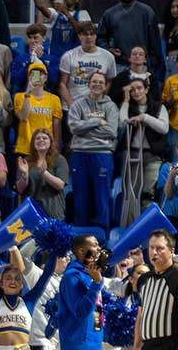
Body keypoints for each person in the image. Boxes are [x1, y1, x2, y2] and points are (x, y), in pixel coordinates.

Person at [68, 72, 119, 229]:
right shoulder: (78, 104)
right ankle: (80, 234)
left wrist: (85, 127)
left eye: (101, 82)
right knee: (81, 196)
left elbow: (111, 131)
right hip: (79, 154)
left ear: (105, 86)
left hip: (102, 155)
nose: (97, 84)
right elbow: (74, 127)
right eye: (94, 81)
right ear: (88, 84)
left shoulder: (110, 106)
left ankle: (102, 234)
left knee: (101, 196)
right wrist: (97, 121)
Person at [118, 77, 168, 226]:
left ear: (146, 89)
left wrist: (145, 117)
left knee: (147, 193)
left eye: (139, 88)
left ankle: (147, 227)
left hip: (152, 156)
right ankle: (130, 225)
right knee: (130, 193)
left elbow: (164, 128)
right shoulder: (129, 107)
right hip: (132, 155)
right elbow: (122, 123)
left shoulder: (158, 107)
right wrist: (126, 100)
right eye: (132, 89)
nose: (136, 92)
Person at [97, 0, 162, 74]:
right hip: (119, 64)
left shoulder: (147, 12)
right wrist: (108, 49)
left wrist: (151, 64)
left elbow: (155, 43)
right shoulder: (109, 14)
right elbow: (100, 38)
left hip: (142, 65)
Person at [58, 21, 117, 111]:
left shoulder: (108, 57)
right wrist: (71, 106)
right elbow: (62, 84)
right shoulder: (68, 56)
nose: (89, 37)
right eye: (85, 34)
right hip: (72, 106)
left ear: (96, 36)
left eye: (92, 34)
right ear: (79, 36)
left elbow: (109, 82)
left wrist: (100, 100)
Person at [15, 128, 69, 220]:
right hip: (31, 211)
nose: (41, 140)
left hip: (53, 210)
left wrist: (44, 173)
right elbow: (20, 189)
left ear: (51, 142)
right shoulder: (26, 161)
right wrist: (24, 175)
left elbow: (60, 185)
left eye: (44, 138)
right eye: (38, 138)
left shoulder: (59, 160)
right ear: (33, 143)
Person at [14, 62, 63, 161]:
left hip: (46, 148)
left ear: (45, 78)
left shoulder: (54, 99)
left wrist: (56, 144)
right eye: (34, 73)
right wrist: (27, 94)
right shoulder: (19, 97)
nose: (37, 76)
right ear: (28, 77)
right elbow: (23, 117)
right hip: (26, 148)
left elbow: (56, 124)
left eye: (41, 73)